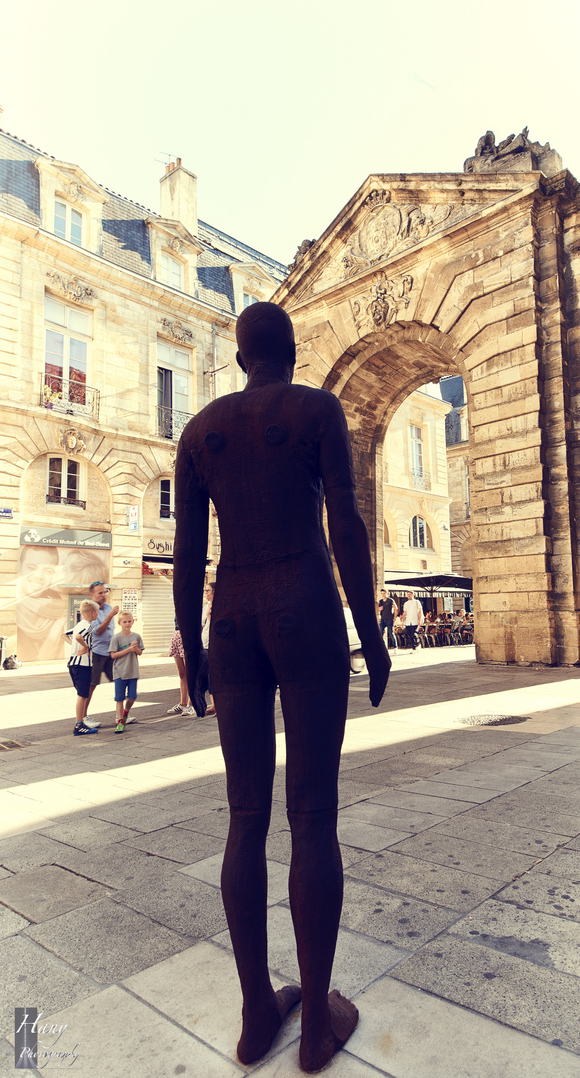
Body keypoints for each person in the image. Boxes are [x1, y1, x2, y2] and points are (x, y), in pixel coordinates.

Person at [173, 302, 390, 1074]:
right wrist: (370, 631)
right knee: (312, 814)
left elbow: (189, 552)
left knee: (244, 817)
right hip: (302, 602)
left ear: (239, 360)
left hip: (230, 615)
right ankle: (317, 1028)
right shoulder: (315, 408)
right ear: (292, 354)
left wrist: (191, 644)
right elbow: (347, 526)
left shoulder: (198, 431)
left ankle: (256, 1013)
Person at [85, 581, 119, 724]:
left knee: (119, 681)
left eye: (105, 592)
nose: (104, 595)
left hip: (110, 652)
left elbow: (111, 632)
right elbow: (99, 631)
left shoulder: (108, 608)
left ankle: (121, 715)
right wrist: (110, 615)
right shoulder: (89, 611)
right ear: (91, 595)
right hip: (96, 653)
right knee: (91, 685)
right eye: (100, 593)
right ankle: (83, 717)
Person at [68, 598, 100, 736]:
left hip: (73, 664)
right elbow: (79, 637)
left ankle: (80, 722)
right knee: (82, 695)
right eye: (97, 612)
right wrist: (85, 647)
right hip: (83, 665)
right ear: (93, 613)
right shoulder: (89, 626)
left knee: (82, 694)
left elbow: (64, 635)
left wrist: (75, 648)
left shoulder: (78, 624)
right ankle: (79, 725)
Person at [110, 612, 144, 733]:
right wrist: (128, 649)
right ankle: (120, 721)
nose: (127, 624)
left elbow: (140, 652)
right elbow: (113, 655)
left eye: (129, 621)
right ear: (119, 623)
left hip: (132, 671)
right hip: (119, 672)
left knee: (132, 696)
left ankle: (126, 712)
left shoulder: (136, 636)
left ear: (133, 621)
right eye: (124, 622)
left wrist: (135, 649)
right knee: (119, 698)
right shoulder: (116, 638)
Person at [167, 620, 196, 716]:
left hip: (188, 634)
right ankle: (182, 704)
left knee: (190, 673)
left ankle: (191, 704)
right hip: (176, 634)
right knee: (181, 673)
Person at [202, 580, 216, 716]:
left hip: (214, 644)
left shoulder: (218, 606)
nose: (205, 593)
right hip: (205, 642)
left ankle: (217, 704)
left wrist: (210, 617)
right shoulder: (206, 606)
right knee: (208, 675)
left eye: (207, 591)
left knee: (214, 674)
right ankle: (213, 704)